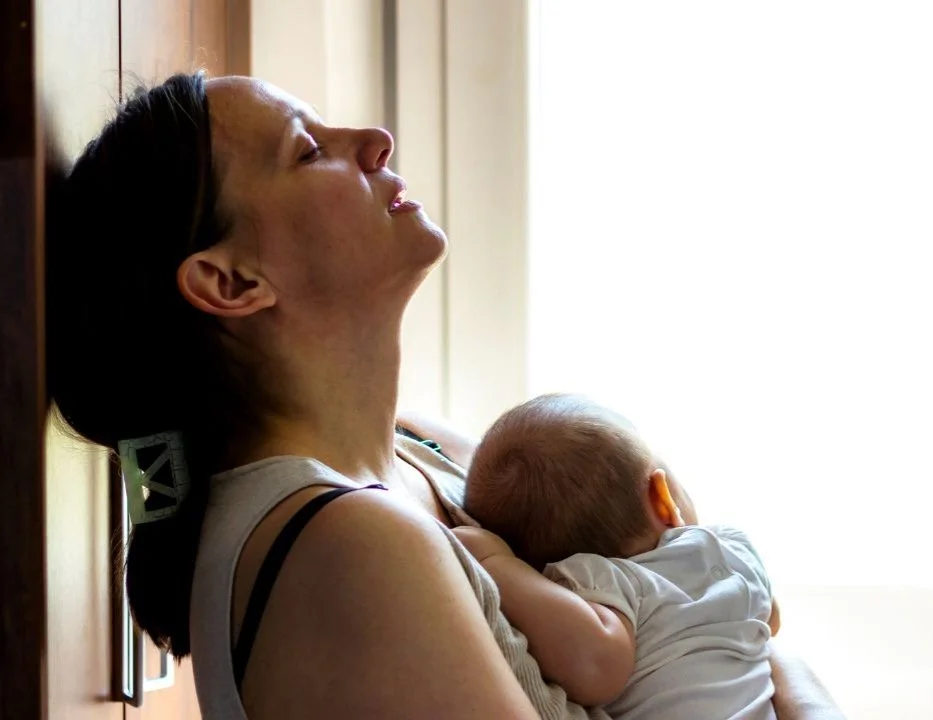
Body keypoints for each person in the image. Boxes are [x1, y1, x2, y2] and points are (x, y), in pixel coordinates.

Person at [44, 71, 844, 719]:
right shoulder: (347, 544)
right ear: (231, 282)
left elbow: (694, 603)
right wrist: (802, 691)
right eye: (308, 149)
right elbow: (737, 633)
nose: (372, 139)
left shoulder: (424, 451)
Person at [458, 393, 779, 719]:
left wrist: (495, 563)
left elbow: (595, 669)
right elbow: (770, 620)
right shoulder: (730, 547)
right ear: (663, 498)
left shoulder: (605, 585)